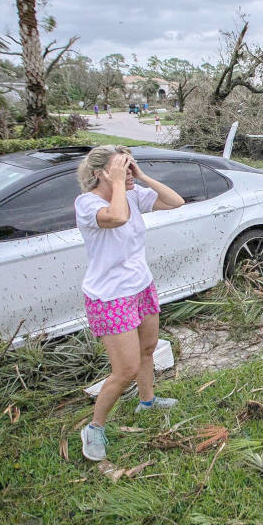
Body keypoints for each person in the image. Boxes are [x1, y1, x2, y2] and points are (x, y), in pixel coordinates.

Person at [75, 145, 184, 461]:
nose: (127, 170)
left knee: (148, 349)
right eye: (120, 167)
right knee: (125, 370)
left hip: (141, 286)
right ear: (100, 173)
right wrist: (121, 184)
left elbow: (175, 201)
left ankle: (147, 400)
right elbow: (117, 217)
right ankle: (94, 428)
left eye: (129, 164)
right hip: (110, 297)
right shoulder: (87, 203)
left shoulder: (133, 194)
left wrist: (141, 175)